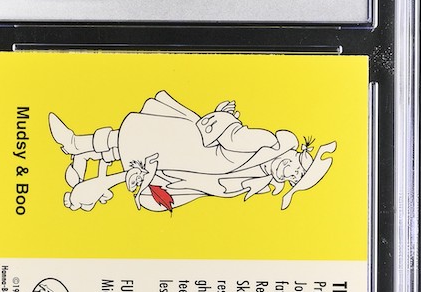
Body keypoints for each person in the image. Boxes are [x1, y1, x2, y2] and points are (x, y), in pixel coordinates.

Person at [48, 90, 336, 212]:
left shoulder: (258, 180)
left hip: (189, 168)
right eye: (297, 168)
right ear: (292, 154)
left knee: (135, 153)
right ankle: (78, 145)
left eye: (294, 179)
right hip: (193, 147)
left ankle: (83, 155)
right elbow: (232, 137)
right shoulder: (267, 144)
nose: (290, 174)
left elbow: (217, 188)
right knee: (134, 138)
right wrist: (225, 119)